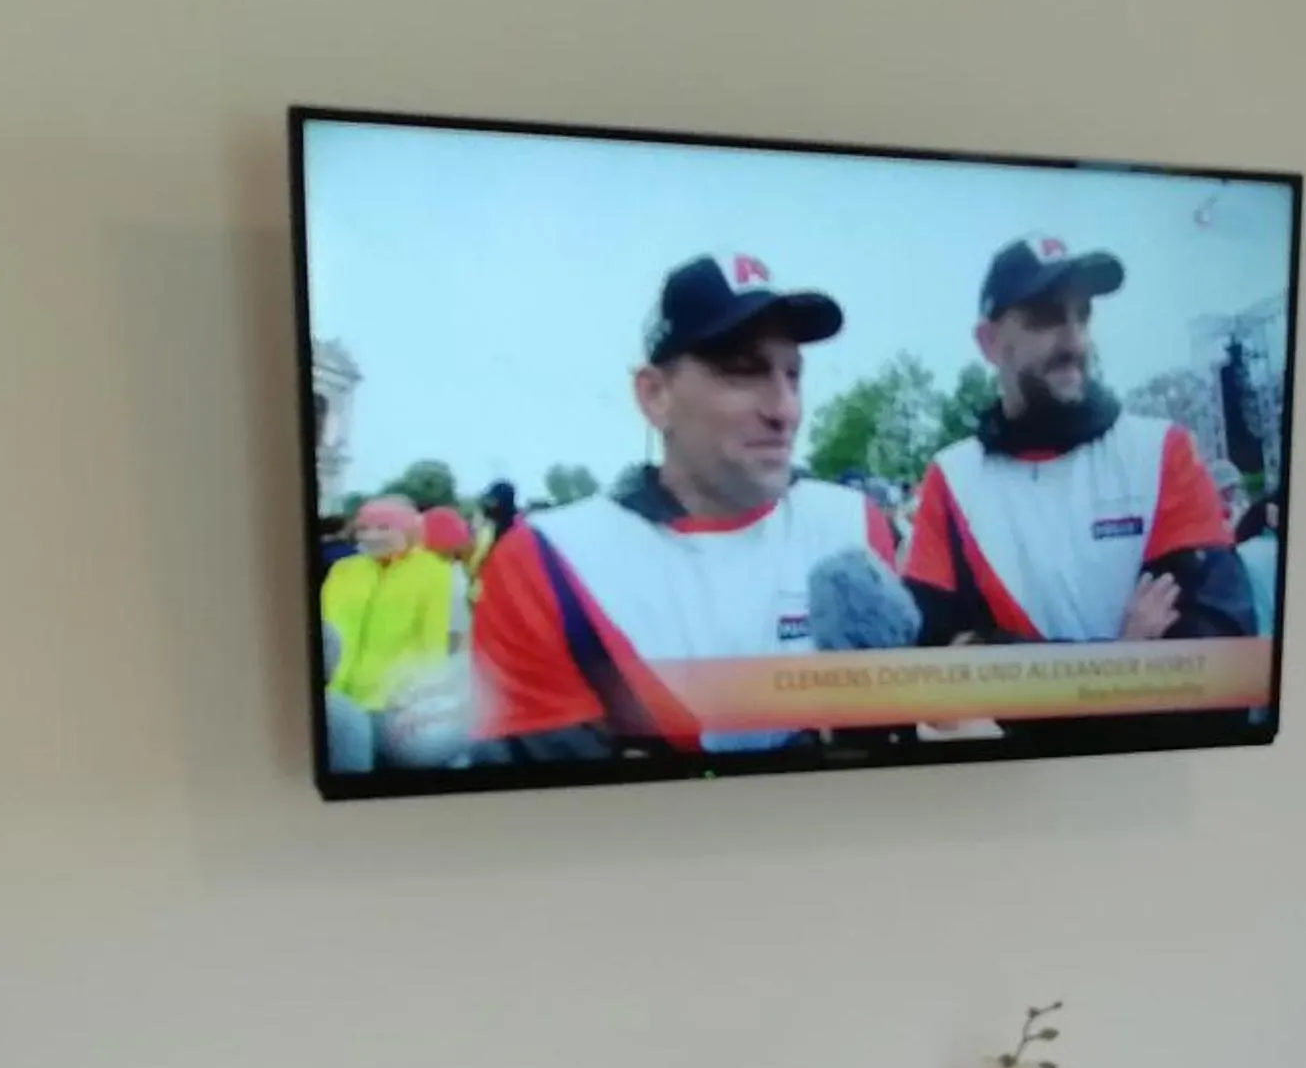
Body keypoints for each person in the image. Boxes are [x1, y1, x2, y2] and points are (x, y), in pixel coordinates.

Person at [464, 257, 897, 757]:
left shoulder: (853, 527)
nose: (784, 410)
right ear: (656, 396)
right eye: (743, 372)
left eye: (793, 376)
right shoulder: (547, 560)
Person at [901, 237, 1256, 642]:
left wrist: (995, 651)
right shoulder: (951, 477)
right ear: (990, 342)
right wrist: (1122, 665)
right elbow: (934, 659)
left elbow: (1219, 652)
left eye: (1082, 316)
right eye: (1046, 318)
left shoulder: (1162, 453)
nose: (1074, 342)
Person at [320, 495, 467, 768]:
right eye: (364, 528)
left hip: (393, 706)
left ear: (409, 530)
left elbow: (433, 645)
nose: (371, 536)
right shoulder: (343, 570)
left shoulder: (434, 573)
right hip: (338, 700)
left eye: (384, 528)